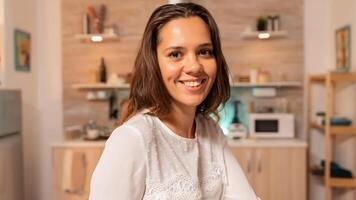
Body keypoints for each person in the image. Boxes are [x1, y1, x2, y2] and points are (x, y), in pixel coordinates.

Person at [89, 3, 260, 200]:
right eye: (175, 54)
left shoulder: (210, 131)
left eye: (204, 51)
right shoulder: (132, 139)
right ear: (154, 63)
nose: (195, 66)